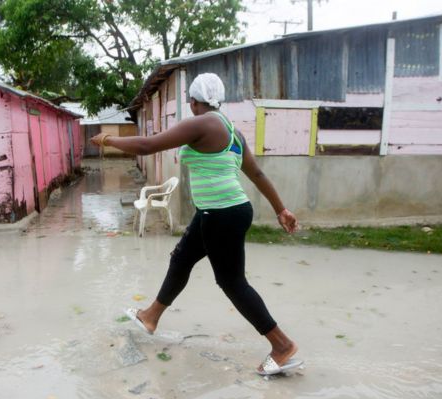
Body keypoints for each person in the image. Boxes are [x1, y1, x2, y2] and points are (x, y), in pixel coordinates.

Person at [91, 73, 299, 375]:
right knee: (182, 257)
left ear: (193, 102)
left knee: (232, 282)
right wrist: (281, 209)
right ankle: (151, 316)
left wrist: (108, 139)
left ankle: (282, 345)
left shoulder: (202, 122)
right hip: (219, 211)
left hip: (222, 213)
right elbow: (257, 175)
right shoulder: (232, 131)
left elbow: (148, 146)